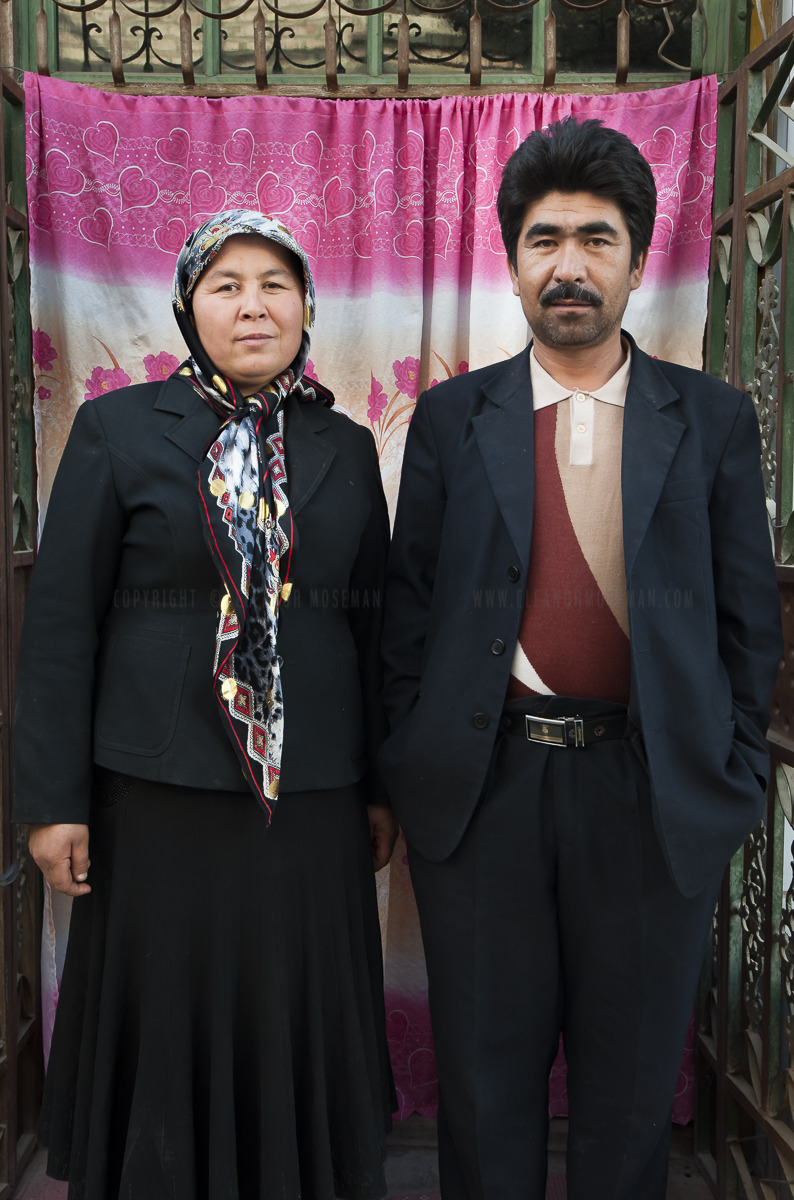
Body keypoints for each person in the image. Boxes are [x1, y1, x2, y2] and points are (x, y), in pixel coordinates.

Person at [379, 118, 782, 1200]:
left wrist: (730, 770)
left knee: (628, 1088)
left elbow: (748, 619)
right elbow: (406, 609)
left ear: (638, 260)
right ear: (510, 263)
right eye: (544, 239)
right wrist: (410, 762)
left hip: (649, 794)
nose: (569, 265)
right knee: (483, 1081)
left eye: (596, 239)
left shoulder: (708, 421)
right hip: (483, 792)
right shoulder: (453, 420)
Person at [14, 209, 397, 1200]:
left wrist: (382, 785)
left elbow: (375, 629)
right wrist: (53, 799)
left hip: (310, 796)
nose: (253, 305)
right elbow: (62, 624)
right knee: (167, 1007)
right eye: (225, 285)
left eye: (275, 283)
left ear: (308, 306)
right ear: (189, 305)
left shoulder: (346, 445)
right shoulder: (119, 429)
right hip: (155, 792)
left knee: (291, 1004)